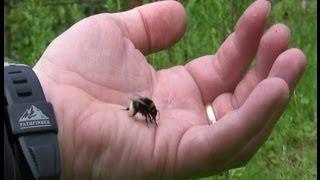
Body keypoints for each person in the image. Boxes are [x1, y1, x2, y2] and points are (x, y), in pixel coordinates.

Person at [5, 0, 307, 179]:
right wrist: (53, 107)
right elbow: (143, 108)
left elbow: (146, 108)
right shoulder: (145, 108)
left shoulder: (149, 108)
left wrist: (47, 108)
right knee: (136, 110)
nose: (153, 116)